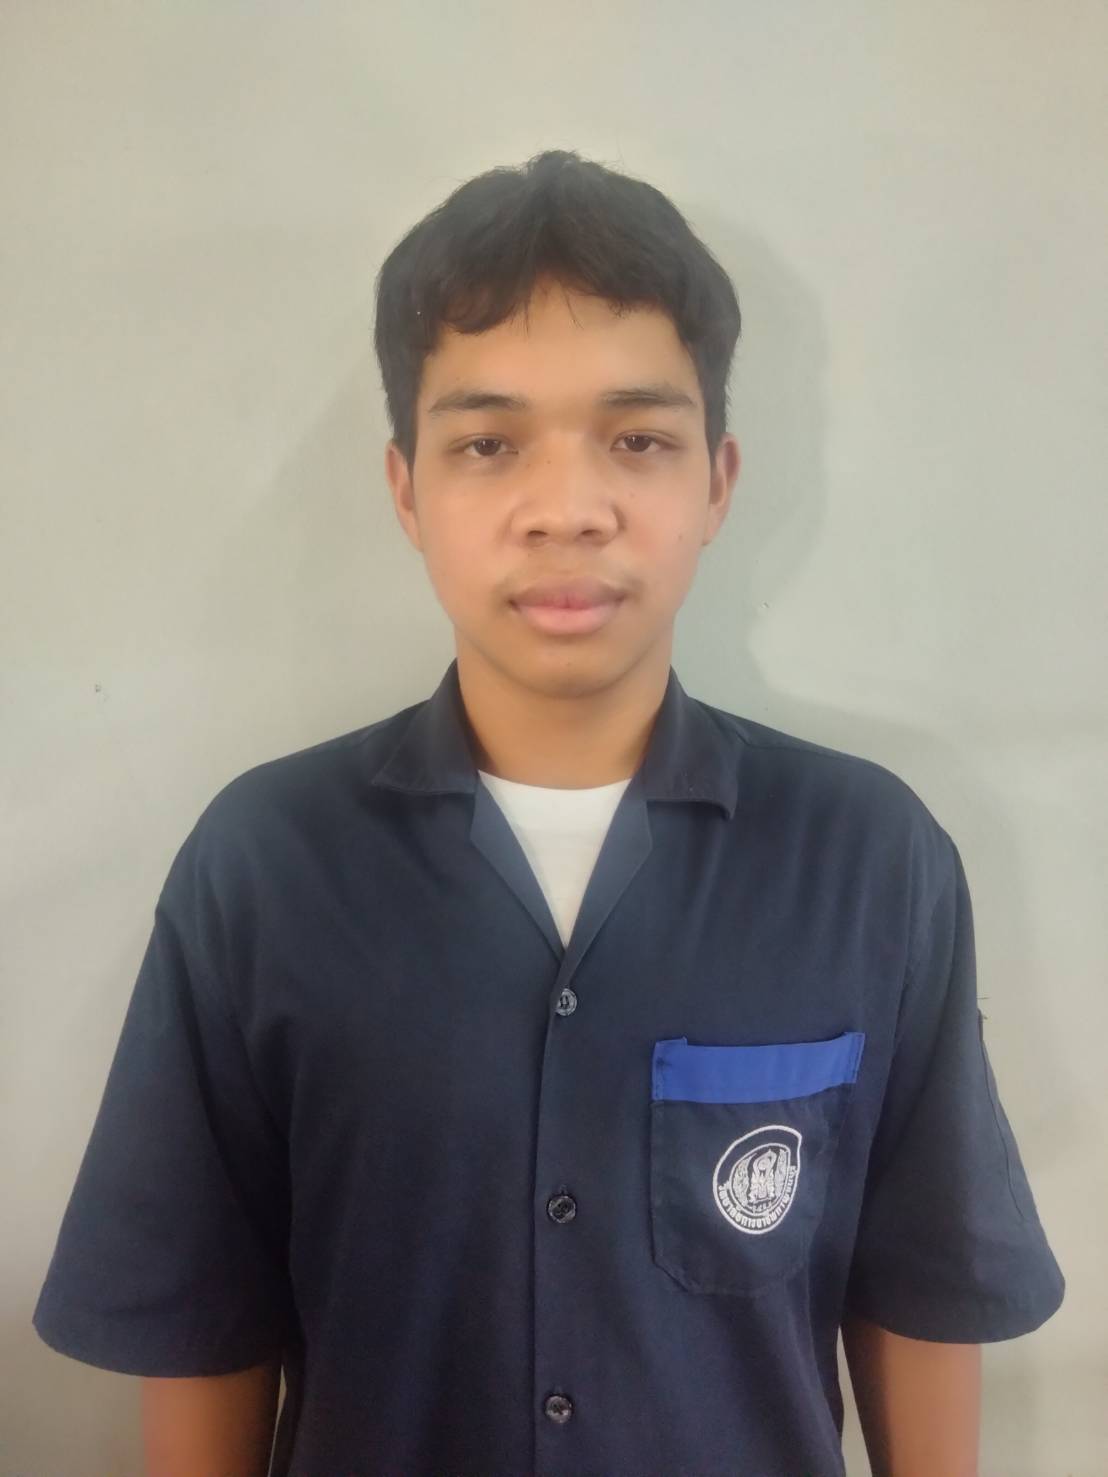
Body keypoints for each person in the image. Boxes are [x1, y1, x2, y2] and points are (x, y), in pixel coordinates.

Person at [32, 147, 1064, 1477]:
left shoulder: (869, 860)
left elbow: (918, 1291)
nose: (567, 511)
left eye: (637, 439)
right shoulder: (263, 867)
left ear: (717, 481)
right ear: (406, 489)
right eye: (488, 443)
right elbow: (201, 1323)